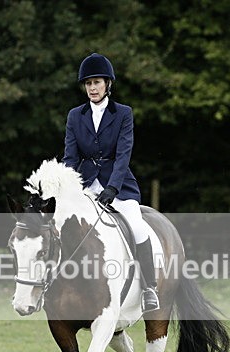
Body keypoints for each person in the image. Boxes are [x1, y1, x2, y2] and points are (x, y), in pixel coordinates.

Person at [62, 52, 160, 313]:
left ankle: (149, 288)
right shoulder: (75, 116)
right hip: (85, 186)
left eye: (97, 82)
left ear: (108, 84)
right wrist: (64, 187)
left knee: (137, 227)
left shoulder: (123, 114)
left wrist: (113, 188)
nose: (92, 88)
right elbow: (71, 157)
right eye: (88, 83)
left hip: (119, 185)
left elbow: (123, 154)